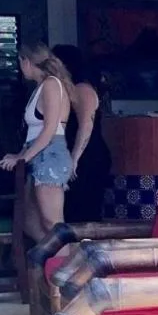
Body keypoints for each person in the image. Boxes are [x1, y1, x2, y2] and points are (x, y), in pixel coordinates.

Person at [0, 43, 74, 242]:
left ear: (27, 62)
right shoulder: (41, 86)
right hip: (37, 155)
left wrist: (22, 158)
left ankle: (70, 264)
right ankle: (50, 260)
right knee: (29, 222)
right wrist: (19, 155)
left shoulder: (51, 84)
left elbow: (48, 131)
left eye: (21, 62)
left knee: (52, 223)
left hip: (49, 156)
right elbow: (35, 132)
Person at [52, 44, 113, 223]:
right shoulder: (70, 88)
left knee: (84, 208)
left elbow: (86, 125)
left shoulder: (82, 88)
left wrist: (75, 158)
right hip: (81, 154)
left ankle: (86, 249)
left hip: (88, 156)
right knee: (74, 207)